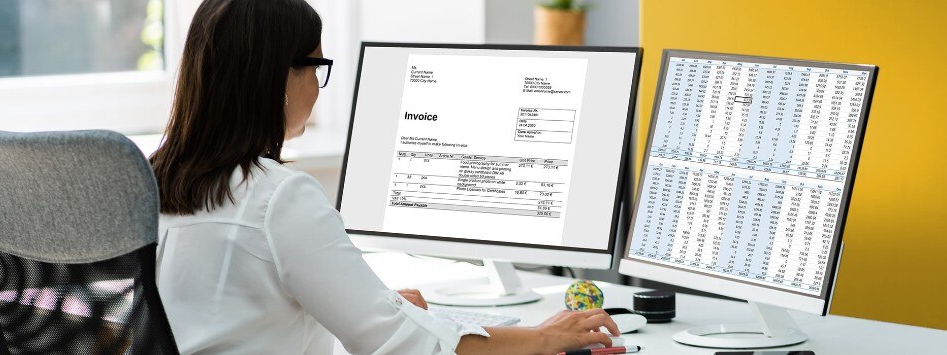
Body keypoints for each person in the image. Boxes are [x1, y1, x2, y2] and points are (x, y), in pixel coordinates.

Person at [147, 0, 619, 354]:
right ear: (275, 77)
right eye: (316, 65)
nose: (317, 83)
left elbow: (225, 312)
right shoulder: (278, 198)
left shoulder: (152, 180)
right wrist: (541, 337)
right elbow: (401, 345)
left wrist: (362, 297)